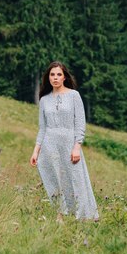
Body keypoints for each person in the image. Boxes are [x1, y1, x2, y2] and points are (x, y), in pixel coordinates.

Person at [29, 61, 99, 221]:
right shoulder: (44, 100)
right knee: (54, 180)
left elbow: (80, 124)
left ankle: (84, 216)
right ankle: (60, 215)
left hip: (69, 144)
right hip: (49, 145)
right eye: (52, 75)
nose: (55, 78)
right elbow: (42, 128)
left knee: (76, 178)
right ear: (48, 78)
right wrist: (36, 151)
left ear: (64, 77)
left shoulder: (74, 96)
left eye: (59, 74)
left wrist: (77, 146)